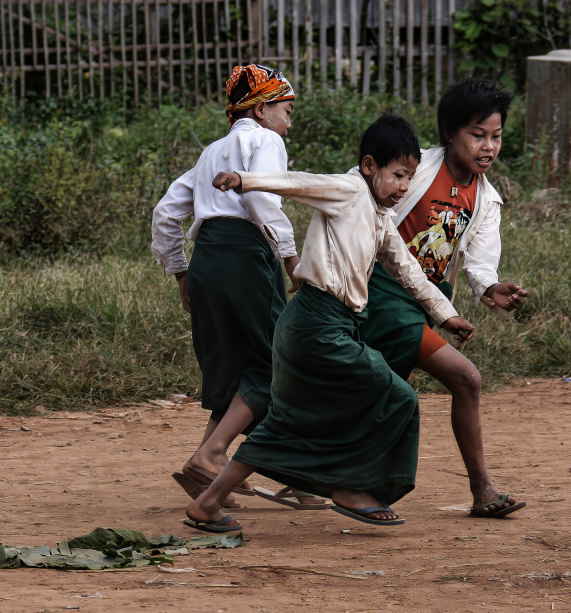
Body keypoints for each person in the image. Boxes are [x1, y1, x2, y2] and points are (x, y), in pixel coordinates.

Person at [182, 112, 475, 532]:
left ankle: (207, 503)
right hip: (315, 325)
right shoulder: (349, 189)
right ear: (370, 165)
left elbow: (408, 269)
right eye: (397, 176)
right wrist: (245, 180)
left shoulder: (378, 217)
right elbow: (298, 182)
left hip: (325, 326)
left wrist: (445, 315)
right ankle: (352, 488)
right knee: (396, 396)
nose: (404, 188)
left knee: (292, 422)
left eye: (410, 178)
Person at [151, 64, 320, 510]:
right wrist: (290, 259)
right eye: (286, 108)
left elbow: (166, 213)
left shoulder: (212, 151)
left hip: (208, 259)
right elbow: (262, 198)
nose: (290, 119)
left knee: (236, 367)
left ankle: (210, 467)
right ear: (262, 109)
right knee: (275, 363)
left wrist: (182, 273)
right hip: (246, 256)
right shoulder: (266, 140)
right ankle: (213, 455)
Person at [358, 78, 529, 519]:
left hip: (423, 303)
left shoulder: (486, 198)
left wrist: (491, 288)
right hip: (382, 294)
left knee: (376, 395)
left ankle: (224, 459)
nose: (488, 146)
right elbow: (359, 197)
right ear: (450, 133)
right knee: (464, 378)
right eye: (477, 135)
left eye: (496, 136)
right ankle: (481, 489)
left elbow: (479, 262)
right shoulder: (415, 168)